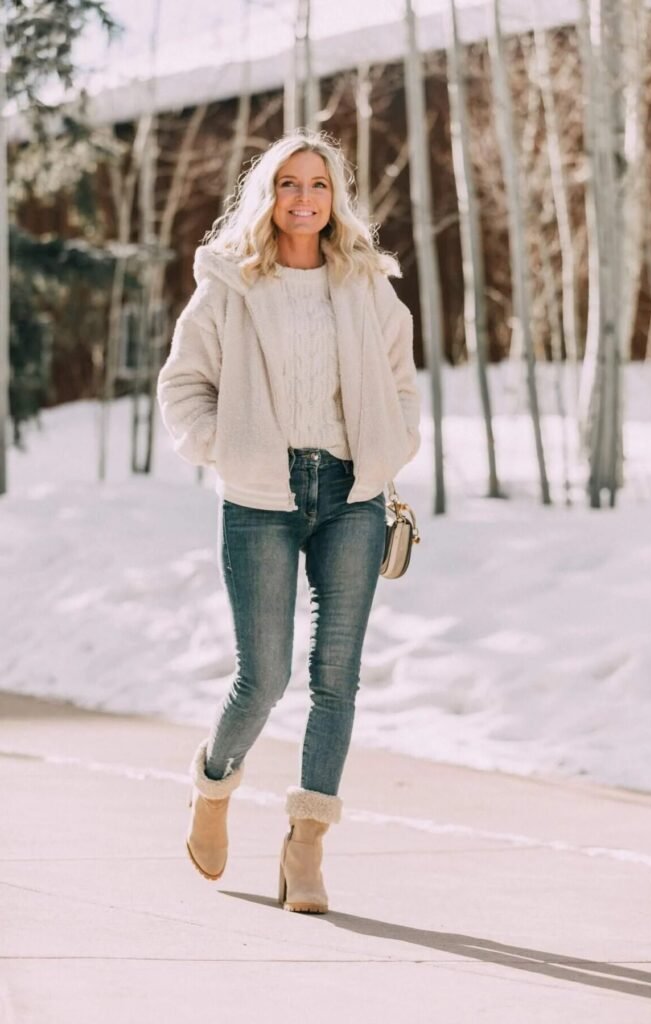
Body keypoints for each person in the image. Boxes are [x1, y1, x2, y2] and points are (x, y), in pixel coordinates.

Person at [157, 129, 421, 913]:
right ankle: (212, 785)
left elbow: (403, 384)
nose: (303, 198)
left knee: (335, 679)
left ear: (335, 196)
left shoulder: (367, 282)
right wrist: (224, 448)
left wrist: (392, 445)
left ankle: (305, 847)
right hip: (258, 498)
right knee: (263, 676)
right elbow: (184, 384)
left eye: (318, 184)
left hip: (351, 495)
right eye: (287, 184)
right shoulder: (230, 284)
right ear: (266, 195)